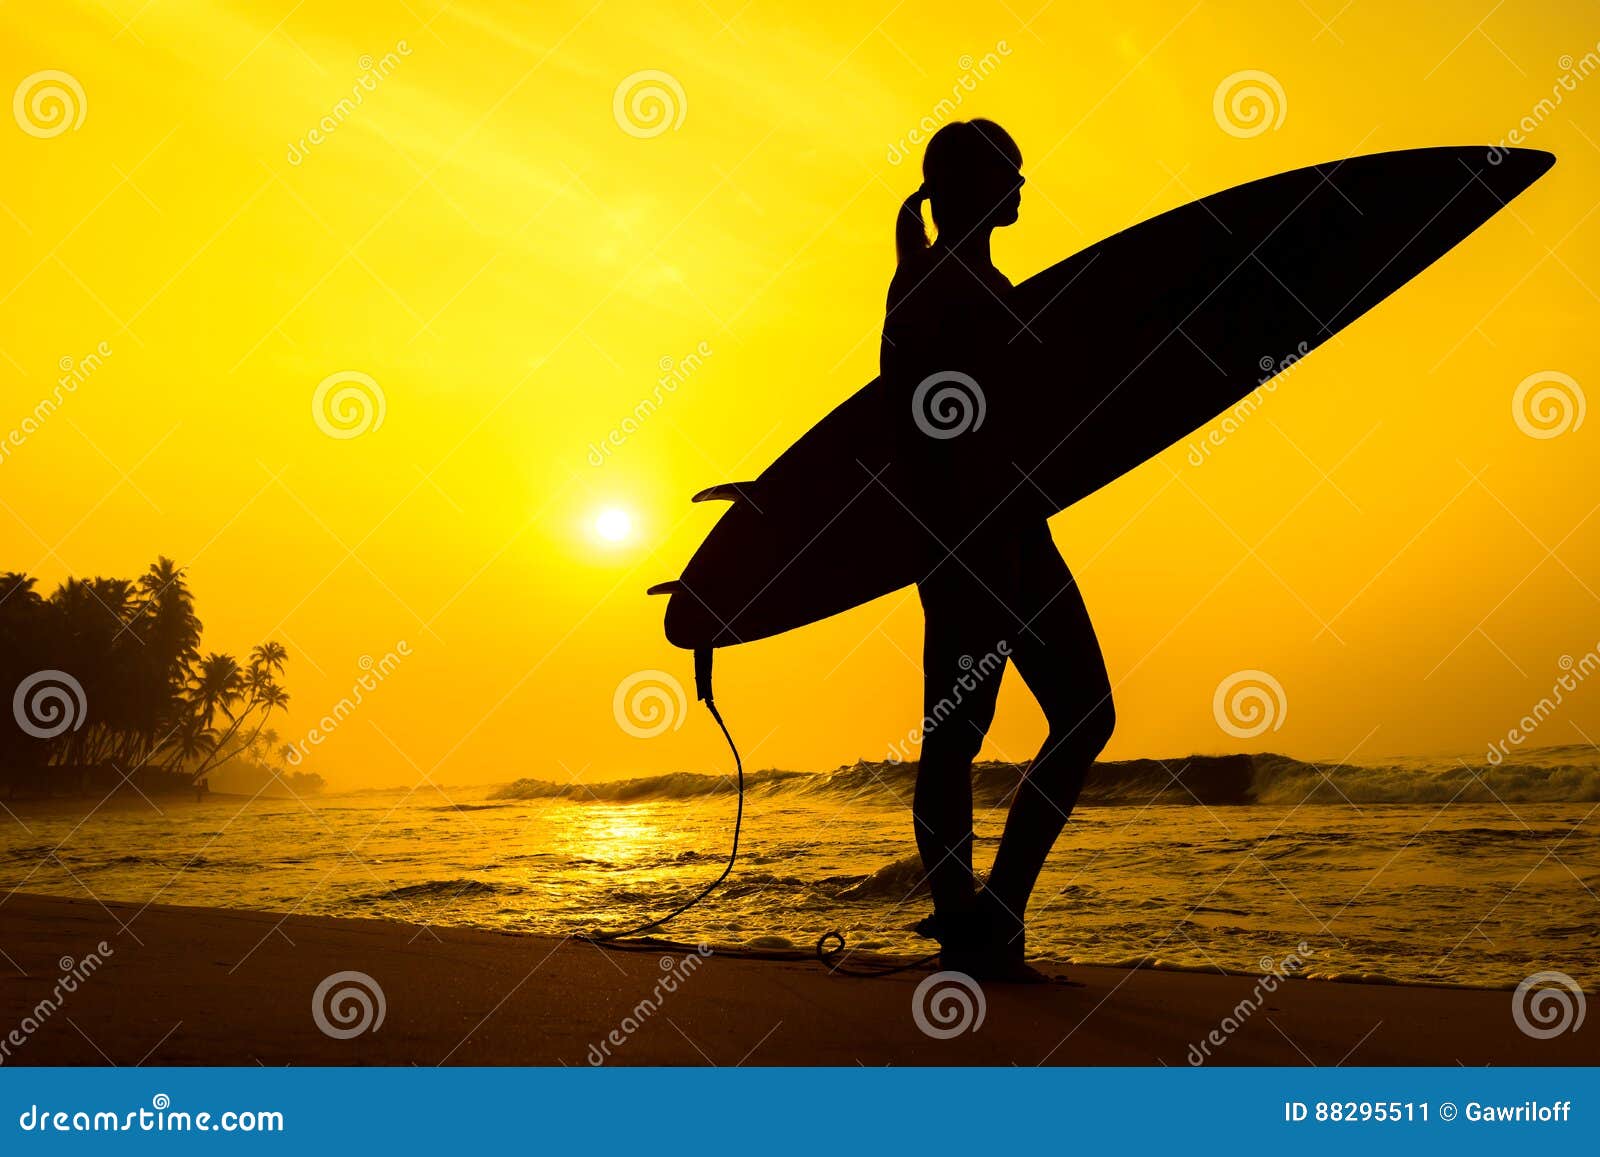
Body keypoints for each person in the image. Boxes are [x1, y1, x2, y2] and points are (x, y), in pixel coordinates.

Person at [880, 119, 1115, 982]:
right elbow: (930, 428)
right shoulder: (940, 288)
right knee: (965, 732)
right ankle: (973, 925)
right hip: (976, 539)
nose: (1025, 183)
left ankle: (990, 919)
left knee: (1069, 715)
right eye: (1012, 171)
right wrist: (990, 551)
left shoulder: (961, 280)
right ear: (976, 188)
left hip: (1004, 530)